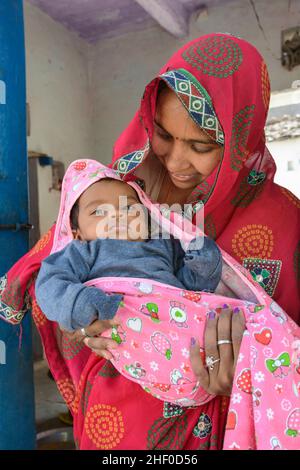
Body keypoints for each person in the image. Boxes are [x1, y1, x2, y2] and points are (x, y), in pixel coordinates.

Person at [0, 33, 299, 450]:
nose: (175, 162)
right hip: (113, 418)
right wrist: (81, 323)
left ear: (239, 140)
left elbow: (286, 354)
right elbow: (53, 263)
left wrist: (244, 372)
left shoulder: (282, 224)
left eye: (201, 146)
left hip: (213, 426)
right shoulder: (127, 182)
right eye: (163, 134)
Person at [35, 165, 222, 333]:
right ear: (77, 235)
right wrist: (79, 302)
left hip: (178, 328)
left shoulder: (163, 244)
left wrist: (204, 264)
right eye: (98, 211)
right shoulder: (83, 251)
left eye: (129, 208)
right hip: (123, 335)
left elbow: (191, 289)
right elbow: (50, 282)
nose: (117, 215)